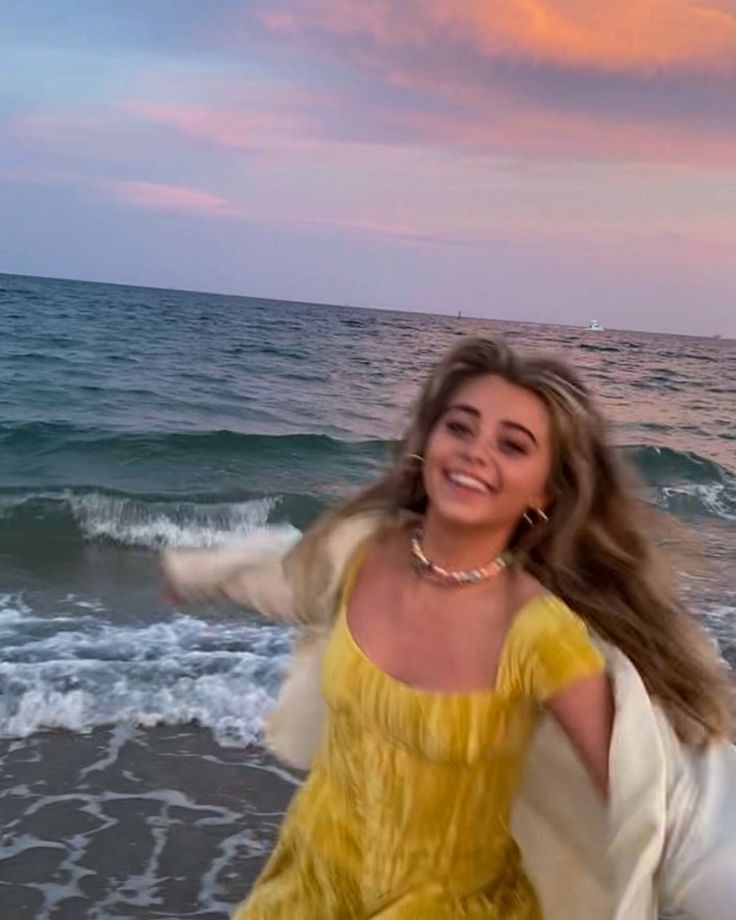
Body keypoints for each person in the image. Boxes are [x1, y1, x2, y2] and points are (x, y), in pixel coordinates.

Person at [163, 337, 735, 920]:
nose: (475, 452)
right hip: (306, 887)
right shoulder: (364, 549)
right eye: (460, 428)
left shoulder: (540, 633)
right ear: (429, 441)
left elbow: (640, 796)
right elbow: (291, 579)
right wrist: (196, 571)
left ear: (545, 490)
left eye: (513, 445)